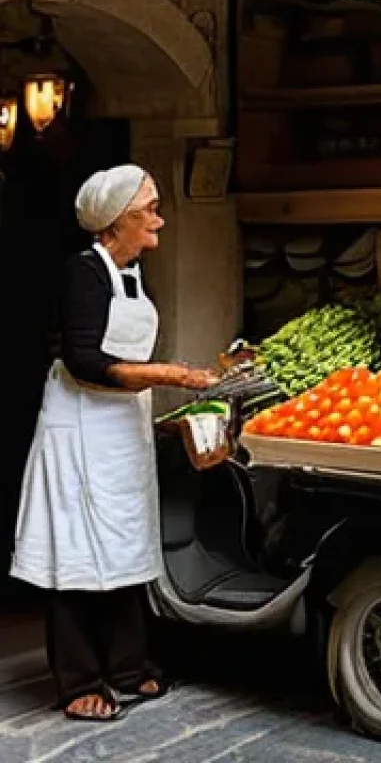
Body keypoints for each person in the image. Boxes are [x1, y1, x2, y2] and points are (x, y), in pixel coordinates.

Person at [10, 165, 220, 722]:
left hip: (120, 426)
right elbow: (86, 362)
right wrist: (173, 376)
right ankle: (79, 680)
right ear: (118, 221)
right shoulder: (83, 273)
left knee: (126, 540)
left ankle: (129, 666)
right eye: (149, 210)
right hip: (81, 424)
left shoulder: (132, 274)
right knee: (78, 549)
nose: (160, 218)